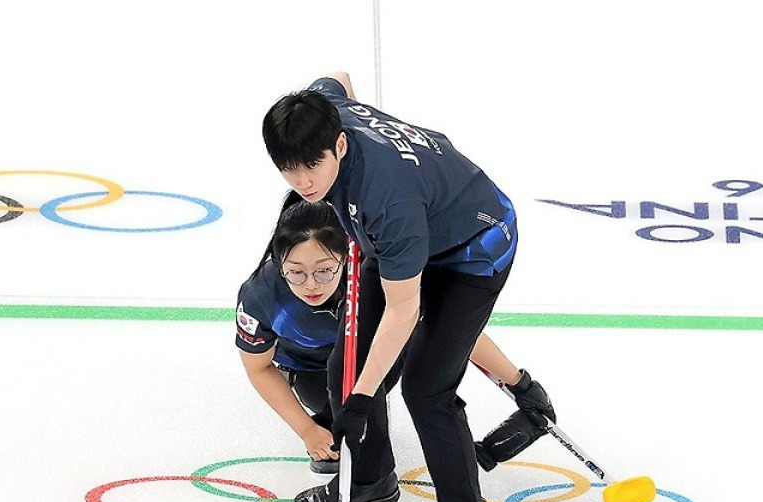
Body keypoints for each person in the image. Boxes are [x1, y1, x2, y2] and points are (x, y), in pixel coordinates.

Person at [262, 71, 542, 502]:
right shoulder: (322, 112)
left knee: (426, 386)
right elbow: (337, 79)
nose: (302, 183)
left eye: (311, 166)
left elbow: (403, 311)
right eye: (288, 169)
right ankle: (370, 481)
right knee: (345, 364)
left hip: (473, 249)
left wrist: (362, 401)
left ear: (340, 145)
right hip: (404, 238)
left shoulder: (385, 198)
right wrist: (356, 391)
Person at [237, 195, 558, 481]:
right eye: (296, 272)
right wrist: (307, 430)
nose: (311, 285)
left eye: (324, 270)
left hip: (377, 351)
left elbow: (453, 330)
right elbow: (259, 368)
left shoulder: (377, 275)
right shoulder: (260, 297)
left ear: (346, 258)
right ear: (279, 264)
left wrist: (521, 385)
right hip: (314, 370)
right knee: (330, 402)